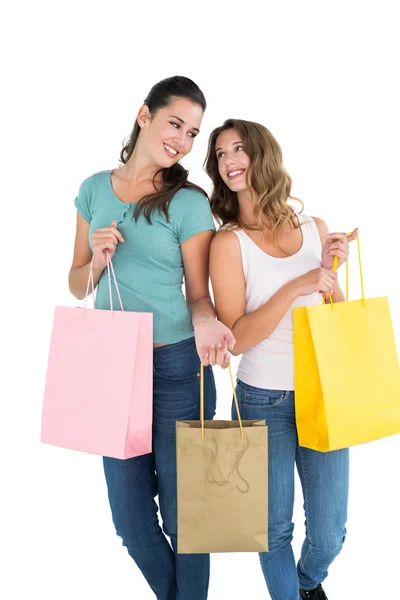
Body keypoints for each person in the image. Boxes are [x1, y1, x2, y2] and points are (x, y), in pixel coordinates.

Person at [68, 76, 235, 600]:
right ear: (144, 115)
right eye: (175, 123)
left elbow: (199, 294)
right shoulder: (94, 188)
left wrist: (207, 320)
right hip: (112, 365)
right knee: (131, 522)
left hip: (177, 365)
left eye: (192, 132)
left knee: (188, 518)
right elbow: (76, 283)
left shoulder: (186, 202)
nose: (182, 140)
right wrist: (95, 259)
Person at [206, 118, 357, 600]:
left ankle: (306, 585)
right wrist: (297, 284)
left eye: (238, 149)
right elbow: (239, 338)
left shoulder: (314, 228)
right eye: (220, 153)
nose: (229, 160)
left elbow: (330, 313)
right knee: (273, 532)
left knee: (330, 534)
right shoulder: (228, 243)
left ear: (262, 154)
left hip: (323, 393)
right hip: (263, 398)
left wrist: (330, 273)